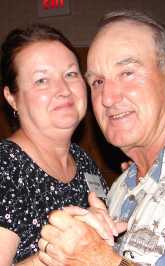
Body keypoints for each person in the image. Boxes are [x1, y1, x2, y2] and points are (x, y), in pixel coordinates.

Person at [38, 9, 165, 266]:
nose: (107, 98)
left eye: (127, 73)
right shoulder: (120, 190)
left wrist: (98, 260)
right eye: (97, 82)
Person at [0, 23, 108, 265]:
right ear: (11, 97)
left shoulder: (83, 161)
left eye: (70, 74)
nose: (63, 89)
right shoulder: (5, 167)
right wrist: (56, 255)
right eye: (41, 80)